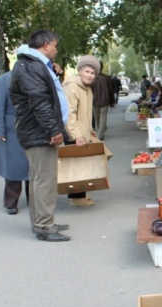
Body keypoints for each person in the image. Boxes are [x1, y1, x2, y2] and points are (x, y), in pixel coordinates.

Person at [9, 29, 71, 242]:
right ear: (45, 44)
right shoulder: (30, 67)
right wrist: (53, 130)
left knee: (38, 179)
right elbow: (39, 101)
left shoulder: (34, 66)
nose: (56, 49)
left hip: (37, 130)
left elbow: (46, 95)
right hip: (39, 131)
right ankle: (44, 226)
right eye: (55, 45)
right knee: (44, 180)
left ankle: (42, 222)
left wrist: (55, 74)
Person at [0, 45, 30, 215]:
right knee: (13, 168)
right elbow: (0, 105)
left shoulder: (36, 76)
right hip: (12, 129)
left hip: (32, 127)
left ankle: (34, 200)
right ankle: (11, 203)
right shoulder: (6, 78)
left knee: (34, 166)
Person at [63, 55, 101, 207]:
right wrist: (77, 135)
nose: (90, 75)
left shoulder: (87, 88)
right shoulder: (71, 87)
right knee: (76, 166)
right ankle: (76, 198)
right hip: (73, 133)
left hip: (82, 133)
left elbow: (86, 113)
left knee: (82, 164)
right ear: (80, 71)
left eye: (92, 73)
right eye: (87, 71)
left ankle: (80, 194)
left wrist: (90, 130)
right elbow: (69, 114)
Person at [92, 61, 115, 140]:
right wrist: (112, 101)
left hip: (94, 101)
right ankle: (100, 134)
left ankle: (100, 134)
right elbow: (111, 90)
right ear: (102, 68)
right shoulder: (106, 78)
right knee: (103, 118)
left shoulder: (91, 78)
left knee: (97, 118)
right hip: (105, 101)